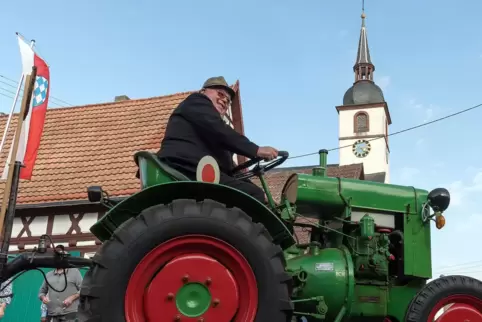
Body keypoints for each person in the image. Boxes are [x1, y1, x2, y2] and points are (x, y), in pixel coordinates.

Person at [157, 76, 279, 203]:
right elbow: (221, 131)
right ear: (203, 91)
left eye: (228, 101)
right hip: (185, 166)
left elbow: (230, 167)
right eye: (220, 94)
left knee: (257, 193)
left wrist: (265, 197)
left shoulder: (207, 128)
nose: (225, 100)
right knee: (253, 195)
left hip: (197, 168)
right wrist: (256, 150)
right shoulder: (197, 101)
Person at [38, 245, 83, 322]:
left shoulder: (75, 272)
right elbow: (41, 292)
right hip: (53, 314)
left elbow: (83, 289)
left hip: (71, 314)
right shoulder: (48, 275)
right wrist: (43, 298)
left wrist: (72, 298)